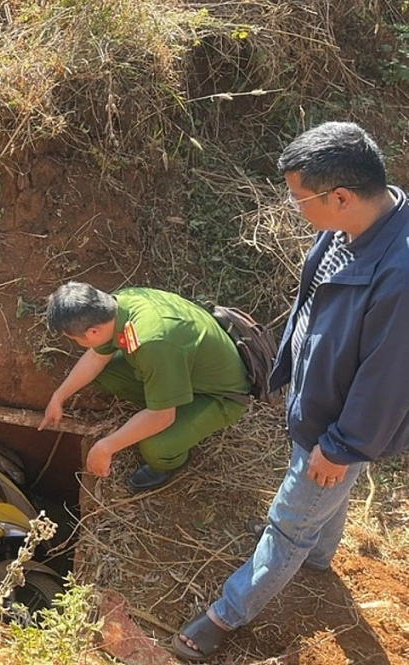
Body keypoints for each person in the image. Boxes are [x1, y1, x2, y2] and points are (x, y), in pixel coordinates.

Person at [173, 121, 409, 661]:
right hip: (322, 406)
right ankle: (319, 556)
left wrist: (343, 446)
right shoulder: (353, 226)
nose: (294, 208)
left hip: (339, 425)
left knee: (288, 525)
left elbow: (389, 379)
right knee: (327, 493)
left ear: (341, 196)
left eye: (299, 198)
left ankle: (225, 615)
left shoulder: (401, 275)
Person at [38, 281, 251, 492]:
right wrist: (58, 397)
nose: (77, 344)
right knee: (106, 372)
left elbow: (163, 417)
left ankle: (169, 462)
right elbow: (96, 358)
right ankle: (164, 397)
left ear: (93, 332)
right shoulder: (116, 306)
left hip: (219, 395)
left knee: (156, 447)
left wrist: (104, 447)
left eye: (76, 339)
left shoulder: (153, 342)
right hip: (180, 368)